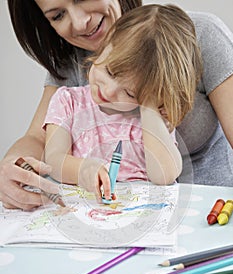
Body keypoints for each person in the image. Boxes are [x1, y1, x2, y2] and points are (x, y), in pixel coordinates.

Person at [1, 0, 233, 210]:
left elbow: (164, 173)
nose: (80, 23)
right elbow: (39, 142)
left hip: (210, 209)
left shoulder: (197, 36)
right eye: (58, 15)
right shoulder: (69, 87)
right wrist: (10, 169)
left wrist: (148, 101)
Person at [42, 4, 202, 201]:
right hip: (84, 212)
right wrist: (83, 169)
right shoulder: (68, 102)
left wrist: (149, 106)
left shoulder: (148, 119)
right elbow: (54, 160)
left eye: (129, 93)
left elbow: (165, 176)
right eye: (110, 71)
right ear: (105, 44)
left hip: (142, 218)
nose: (109, 91)